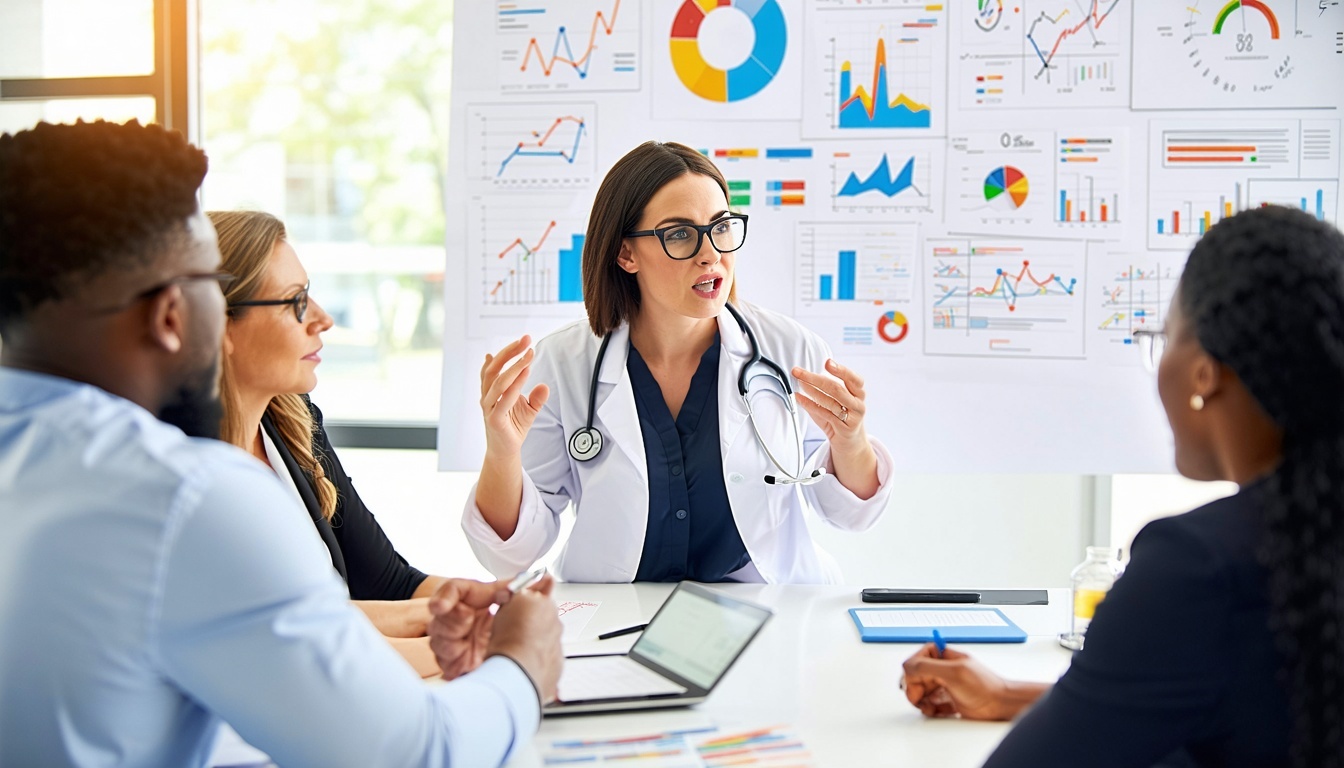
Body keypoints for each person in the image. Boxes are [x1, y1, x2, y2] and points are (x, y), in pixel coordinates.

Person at [0, 119, 562, 767]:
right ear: (173, 314)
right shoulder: (182, 495)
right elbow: (413, 752)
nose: (318, 319)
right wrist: (524, 664)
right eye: (211, 281)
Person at [899, 205, 1344, 768]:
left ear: (1204, 372)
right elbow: (1245, 715)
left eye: (1163, 338)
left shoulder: (1197, 569)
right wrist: (1009, 696)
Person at [466, 141, 894, 584]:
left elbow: (850, 515)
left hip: (766, 612)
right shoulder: (562, 365)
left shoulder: (789, 350)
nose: (711, 253)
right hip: (613, 613)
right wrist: (502, 452)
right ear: (626, 254)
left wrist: (850, 443)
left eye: (721, 227)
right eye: (679, 234)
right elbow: (512, 552)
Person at [209, 209, 447, 678]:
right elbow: (289, 646)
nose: (322, 319)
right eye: (295, 302)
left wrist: (488, 601)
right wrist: (496, 649)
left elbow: (386, 583)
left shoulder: (294, 422)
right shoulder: (187, 475)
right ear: (219, 324)